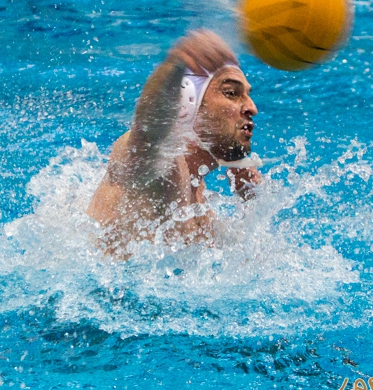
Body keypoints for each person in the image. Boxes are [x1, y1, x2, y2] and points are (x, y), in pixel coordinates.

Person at [87, 30, 261, 256]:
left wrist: (252, 196)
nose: (252, 108)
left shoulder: (199, 199)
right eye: (231, 93)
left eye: (247, 95)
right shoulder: (164, 169)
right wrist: (177, 65)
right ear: (187, 106)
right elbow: (148, 134)